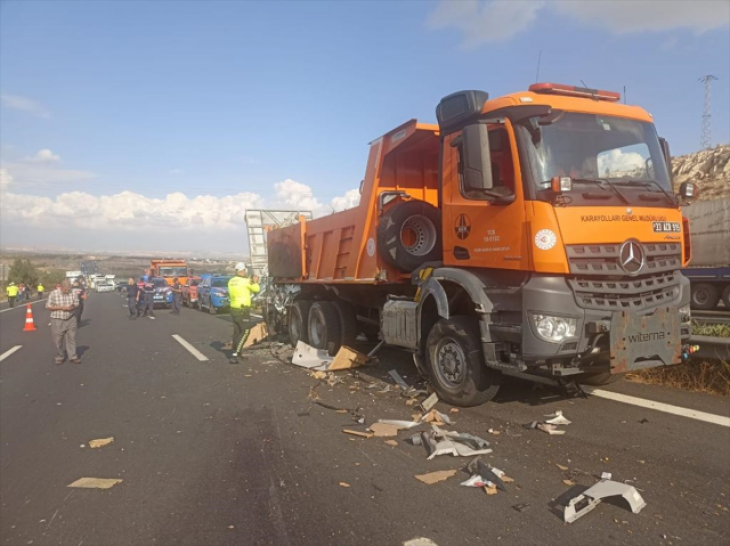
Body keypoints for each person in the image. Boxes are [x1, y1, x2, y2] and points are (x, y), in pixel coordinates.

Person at [227, 263, 260, 364]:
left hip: (233, 308)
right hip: (242, 310)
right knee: (245, 331)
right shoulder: (245, 281)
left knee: (237, 332)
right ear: (242, 271)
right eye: (245, 270)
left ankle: (236, 353)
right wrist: (255, 282)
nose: (245, 272)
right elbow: (257, 289)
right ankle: (235, 354)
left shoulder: (231, 281)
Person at [46, 279, 80, 364]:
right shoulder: (53, 294)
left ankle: (73, 356)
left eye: (69, 289)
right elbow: (48, 306)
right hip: (57, 319)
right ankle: (59, 356)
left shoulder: (73, 293)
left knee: (71, 338)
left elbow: (77, 302)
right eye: (65, 289)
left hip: (71, 318)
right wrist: (62, 308)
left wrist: (73, 306)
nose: (67, 291)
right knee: (58, 340)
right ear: (61, 287)